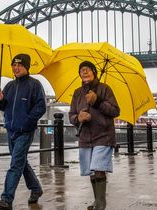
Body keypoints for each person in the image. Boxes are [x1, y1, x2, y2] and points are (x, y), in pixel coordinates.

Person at [0, 54, 46, 210]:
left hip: (25, 131)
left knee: (15, 163)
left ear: (26, 67)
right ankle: (36, 189)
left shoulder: (35, 85)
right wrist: (0, 100)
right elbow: (2, 108)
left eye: (19, 65)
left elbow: (41, 106)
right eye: (13, 65)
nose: (16, 68)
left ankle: (6, 199)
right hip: (10, 130)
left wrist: (28, 121)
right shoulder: (9, 86)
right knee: (21, 162)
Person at [69, 61, 120, 210]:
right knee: (92, 171)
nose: (84, 72)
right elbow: (71, 114)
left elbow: (115, 111)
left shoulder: (104, 89)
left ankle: (101, 204)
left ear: (94, 72)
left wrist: (97, 101)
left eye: (87, 69)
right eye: (81, 70)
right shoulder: (78, 92)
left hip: (103, 135)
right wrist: (78, 118)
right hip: (85, 137)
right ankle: (97, 201)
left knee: (98, 168)